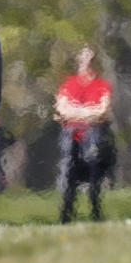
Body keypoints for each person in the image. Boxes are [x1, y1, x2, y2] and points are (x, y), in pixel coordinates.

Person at [54, 44, 115, 223]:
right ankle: (66, 215)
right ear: (79, 61)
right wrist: (89, 111)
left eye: (90, 59)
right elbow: (62, 110)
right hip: (71, 137)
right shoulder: (69, 84)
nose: (86, 63)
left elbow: (103, 111)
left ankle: (96, 212)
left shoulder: (102, 85)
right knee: (68, 174)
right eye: (83, 59)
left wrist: (77, 111)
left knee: (95, 174)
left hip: (94, 137)